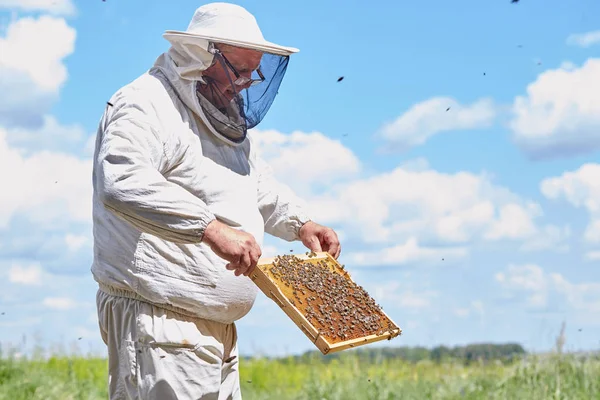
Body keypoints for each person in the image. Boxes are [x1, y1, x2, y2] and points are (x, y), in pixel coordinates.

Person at [91, 2, 341, 400]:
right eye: (239, 71)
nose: (246, 83)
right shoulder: (145, 103)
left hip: (214, 329)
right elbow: (121, 179)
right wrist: (210, 228)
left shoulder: (223, 116)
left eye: (254, 72)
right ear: (200, 55)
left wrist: (302, 224)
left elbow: (254, 185)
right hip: (159, 321)